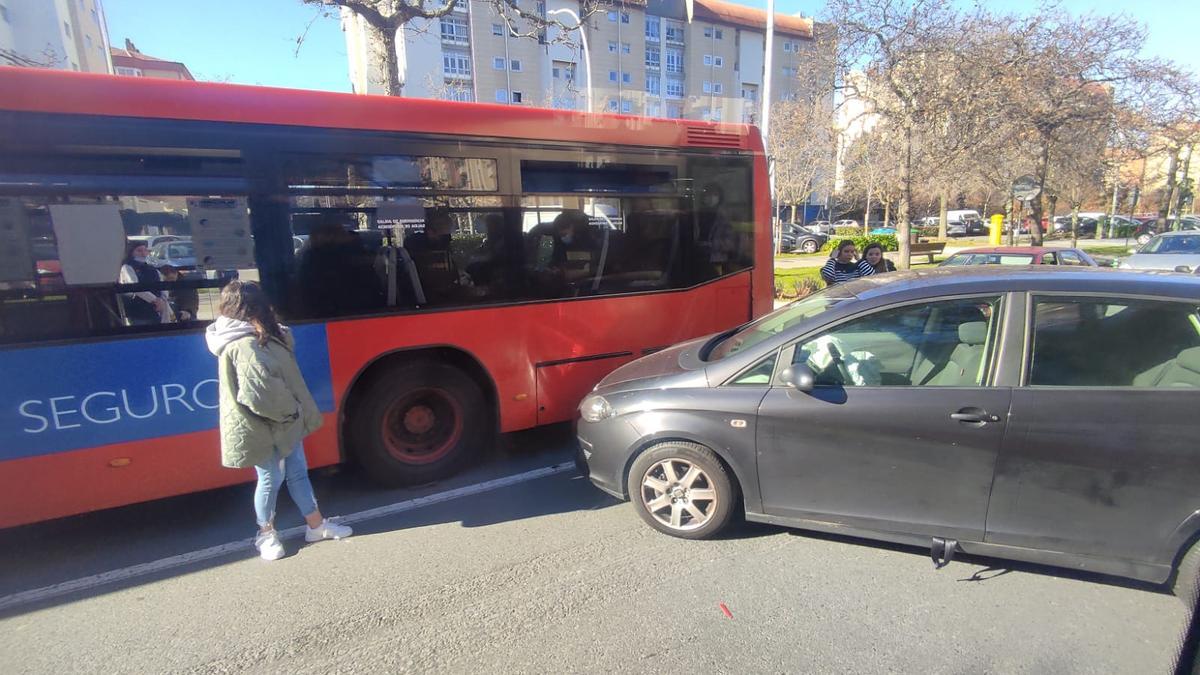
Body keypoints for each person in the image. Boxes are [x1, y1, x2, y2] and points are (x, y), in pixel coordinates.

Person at [205, 280, 352, 560]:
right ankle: (266, 534)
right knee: (271, 477)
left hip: (281, 422)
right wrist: (292, 412)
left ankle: (316, 526)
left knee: (296, 472)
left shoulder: (258, 336)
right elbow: (260, 395)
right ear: (256, 307)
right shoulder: (245, 344)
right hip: (265, 424)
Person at [119, 240, 170, 325]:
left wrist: (162, 300)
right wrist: (155, 300)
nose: (143, 253)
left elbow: (163, 285)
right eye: (139, 251)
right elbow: (135, 287)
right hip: (138, 312)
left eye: (145, 250)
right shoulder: (127, 267)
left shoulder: (152, 268)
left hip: (157, 311)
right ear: (131, 252)